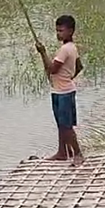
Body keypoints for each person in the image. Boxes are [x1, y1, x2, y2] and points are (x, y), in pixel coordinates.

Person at [35, 15, 85, 165]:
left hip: (64, 93)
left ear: (70, 31)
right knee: (61, 124)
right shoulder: (72, 48)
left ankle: (77, 154)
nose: (58, 34)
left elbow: (52, 69)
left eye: (61, 31)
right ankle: (62, 152)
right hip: (59, 91)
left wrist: (42, 52)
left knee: (66, 126)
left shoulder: (65, 50)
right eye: (57, 31)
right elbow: (79, 66)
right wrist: (68, 77)